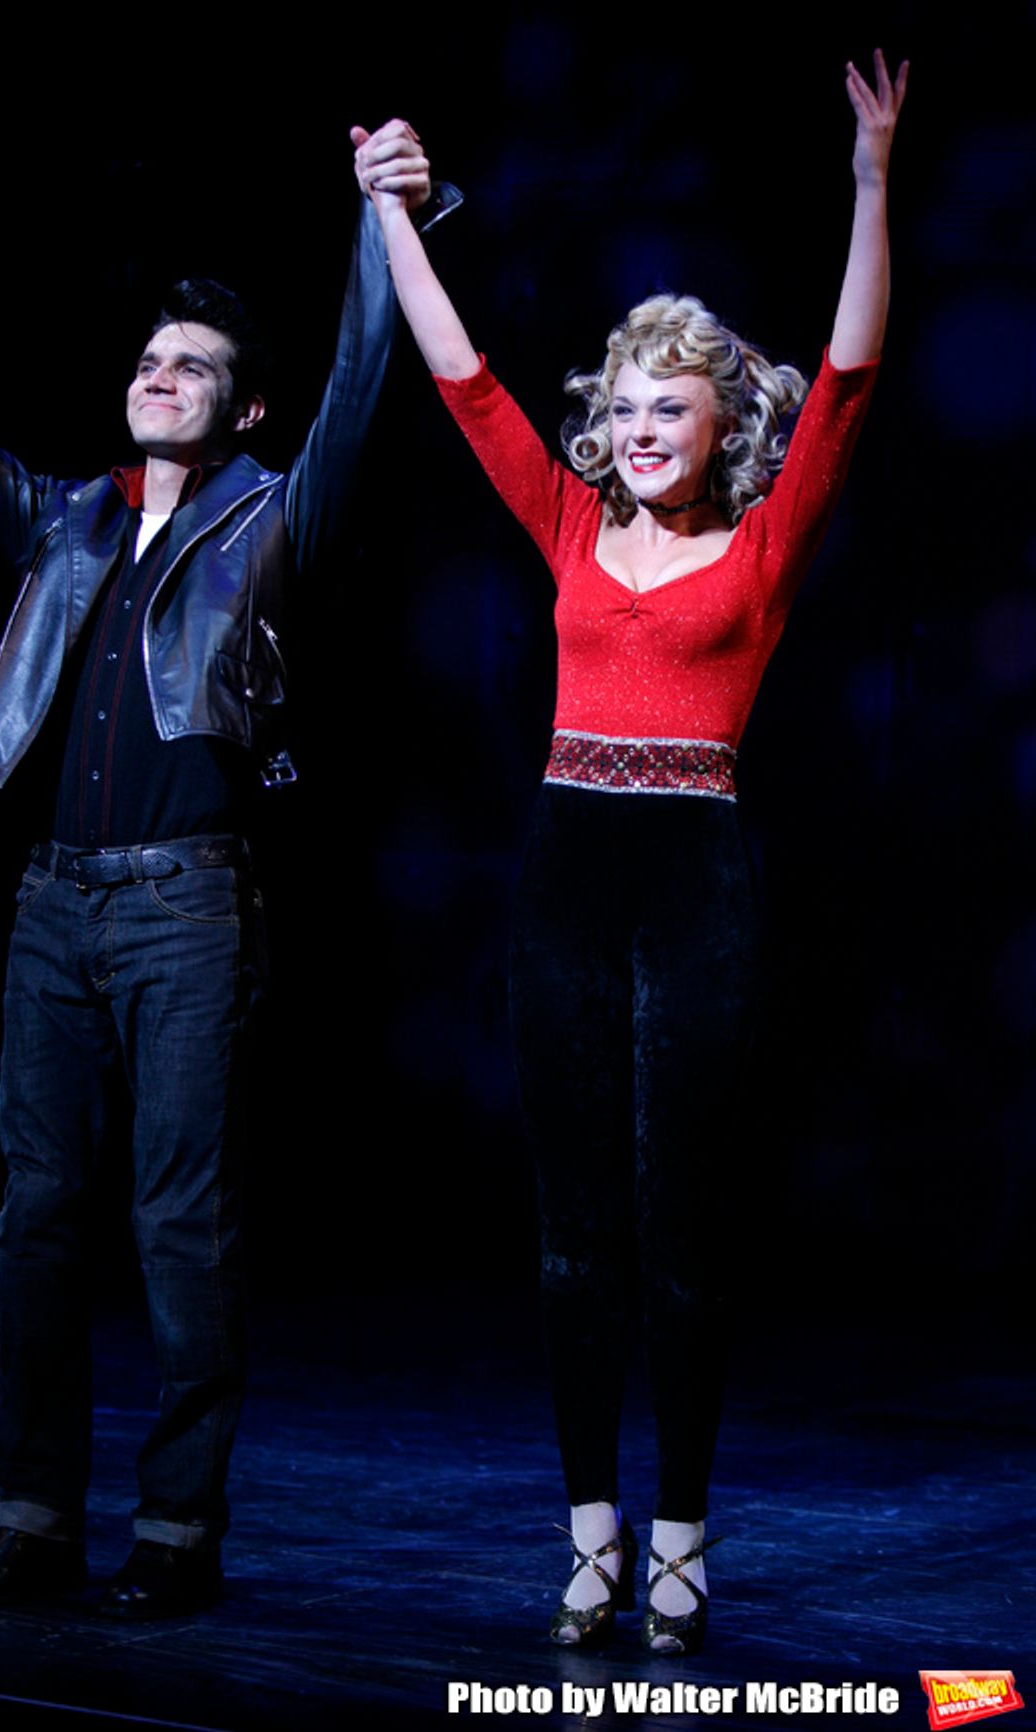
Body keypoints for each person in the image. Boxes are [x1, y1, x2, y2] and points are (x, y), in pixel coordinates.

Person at [0, 120, 451, 1620]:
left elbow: (368, 393)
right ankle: (34, 1515)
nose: (157, 375)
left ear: (239, 406)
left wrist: (390, 222)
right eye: (147, 360)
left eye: (189, 365)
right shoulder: (68, 521)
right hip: (54, 900)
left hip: (190, 905)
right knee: (34, 1215)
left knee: (180, 1220)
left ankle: (177, 1533)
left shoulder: (268, 517)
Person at [353, 50, 907, 1653]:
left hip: (700, 886)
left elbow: (854, 379)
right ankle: (588, 1534)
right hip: (566, 882)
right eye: (630, 406)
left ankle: (680, 1537)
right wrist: (392, 216)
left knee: (684, 1231)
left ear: (721, 427)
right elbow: (462, 379)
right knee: (575, 1229)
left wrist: (872, 177)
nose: (646, 426)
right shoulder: (573, 522)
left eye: (679, 407)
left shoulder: (769, 535)